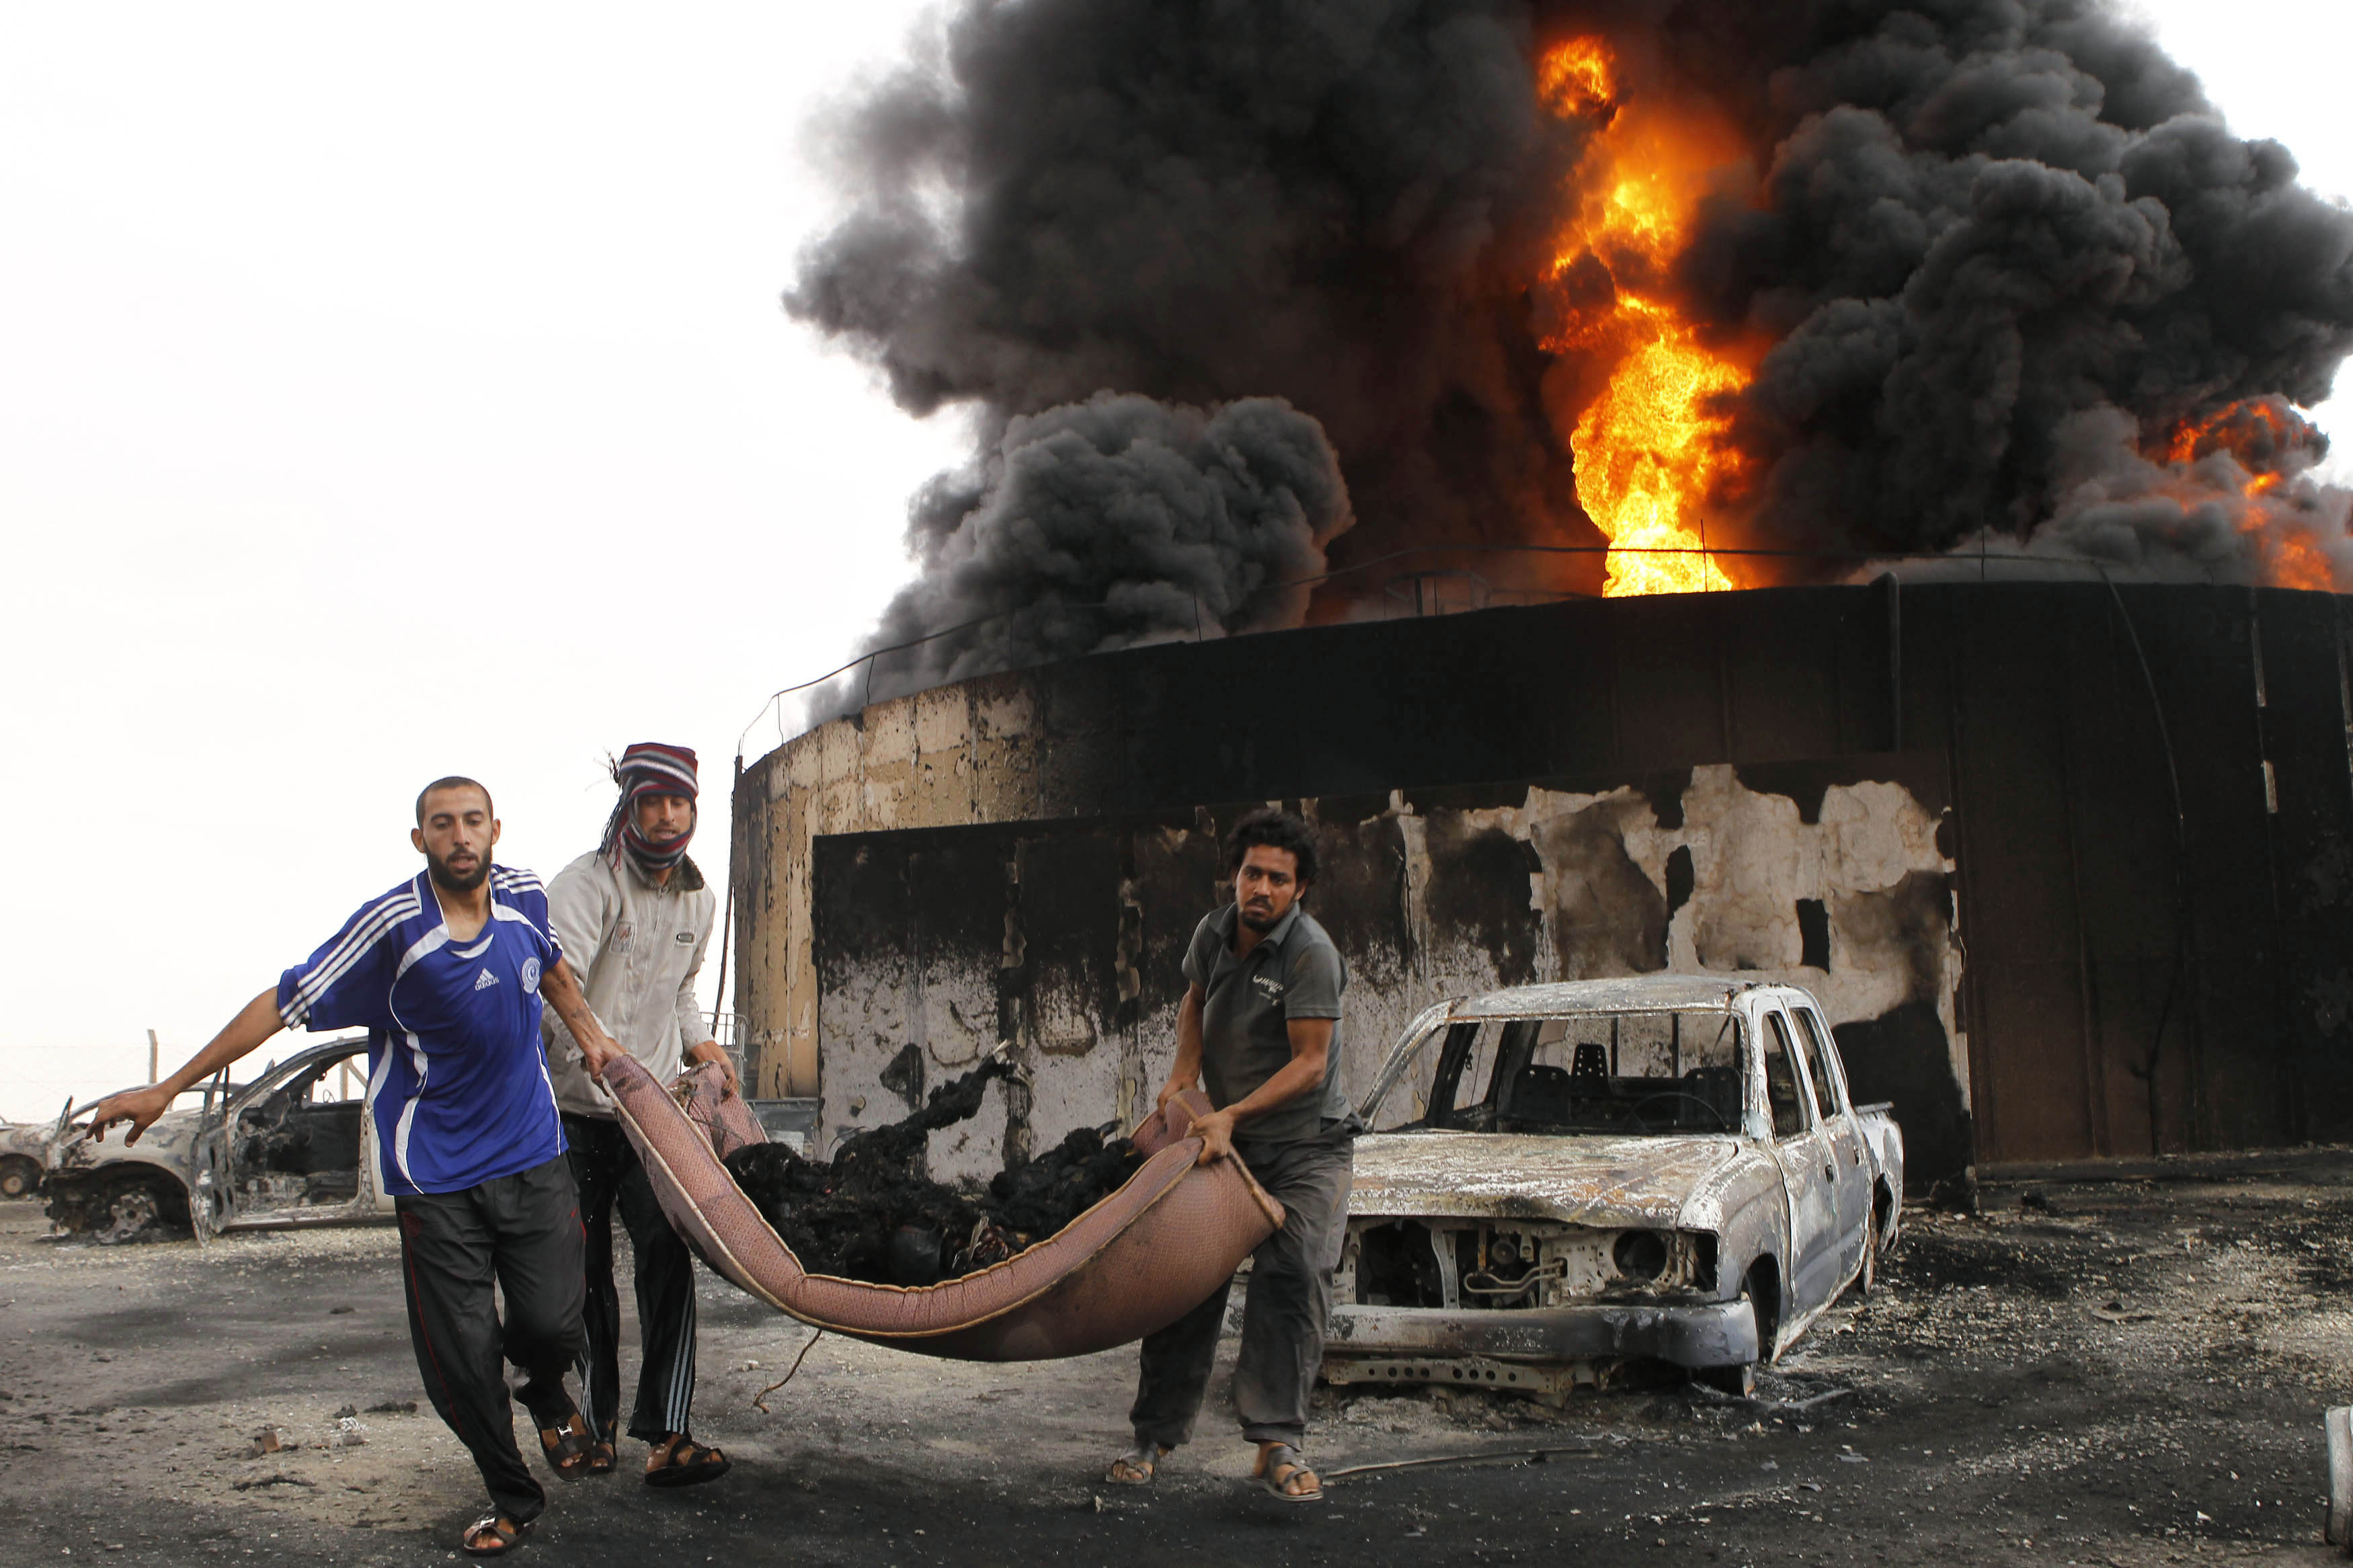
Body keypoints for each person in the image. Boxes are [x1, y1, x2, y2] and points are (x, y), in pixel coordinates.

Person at [81, 778, 625, 1559]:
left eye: (473, 821)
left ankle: (544, 1389)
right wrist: (170, 1087)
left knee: (552, 1321)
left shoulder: (524, 895)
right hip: (434, 1173)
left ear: (496, 828)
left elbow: (553, 968)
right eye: (442, 825)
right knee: (463, 1354)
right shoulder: (391, 929)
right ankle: (512, 1492)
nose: (460, 836)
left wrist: (592, 1037)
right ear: (420, 840)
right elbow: (281, 1001)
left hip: (532, 1152)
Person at [1105, 807, 1354, 1503]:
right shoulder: (1214, 933)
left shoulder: (1310, 953)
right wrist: (1182, 1077)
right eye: (1252, 872)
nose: (1261, 887)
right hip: (1227, 1137)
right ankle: (1151, 1435)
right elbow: (1193, 999)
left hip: (1307, 1149)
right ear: (1235, 875)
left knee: (1293, 1273)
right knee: (1183, 1272)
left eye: (1278, 877)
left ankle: (1276, 1443)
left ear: (1299, 887)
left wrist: (1229, 1113)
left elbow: (1309, 1063)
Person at [541, 741, 732, 1487]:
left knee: (667, 1257)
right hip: (573, 1108)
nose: (664, 814)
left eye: (677, 801)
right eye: (650, 800)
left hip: (651, 1113)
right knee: (581, 1272)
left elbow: (683, 992)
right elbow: (557, 987)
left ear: (692, 807)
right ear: (627, 805)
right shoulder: (584, 886)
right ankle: (595, 1424)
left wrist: (704, 1045)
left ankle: (669, 1432)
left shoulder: (699, 899)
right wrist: (595, 1049)